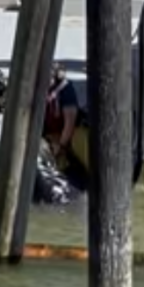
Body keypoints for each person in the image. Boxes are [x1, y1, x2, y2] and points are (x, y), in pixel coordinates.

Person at [41, 63, 90, 191]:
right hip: (47, 135)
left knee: (80, 142)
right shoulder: (34, 89)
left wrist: (62, 145)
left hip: (69, 133)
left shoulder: (65, 89)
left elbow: (70, 121)